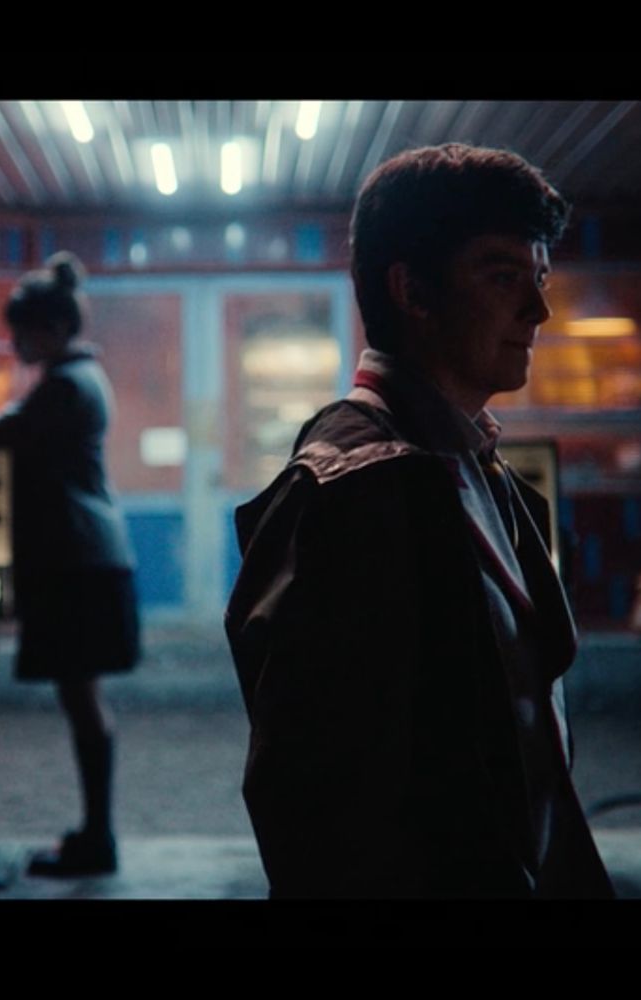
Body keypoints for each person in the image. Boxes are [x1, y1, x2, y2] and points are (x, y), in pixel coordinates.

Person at [225, 144, 614, 898]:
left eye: (538, 278)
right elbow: (311, 805)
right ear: (414, 290)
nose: (538, 309)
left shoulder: (470, 462)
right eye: (504, 276)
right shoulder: (355, 494)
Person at [0, 251, 140, 876]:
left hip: (79, 560)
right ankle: (96, 833)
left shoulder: (66, 386)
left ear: (54, 329)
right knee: (84, 700)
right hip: (88, 555)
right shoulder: (77, 379)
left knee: (82, 700)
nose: (15, 341)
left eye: (23, 330)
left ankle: (98, 838)